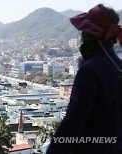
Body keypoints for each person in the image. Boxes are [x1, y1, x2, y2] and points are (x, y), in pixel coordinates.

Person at [46, 4, 122, 154]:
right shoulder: (117, 65)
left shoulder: (90, 70)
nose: (81, 34)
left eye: (84, 30)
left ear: (90, 33)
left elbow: (73, 123)